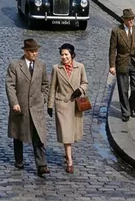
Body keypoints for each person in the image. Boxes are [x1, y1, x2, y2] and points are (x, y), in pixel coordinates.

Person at [5, 38, 50, 177]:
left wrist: (43, 98)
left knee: (38, 136)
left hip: (36, 107)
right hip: (21, 106)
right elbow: (10, 86)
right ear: (25, 52)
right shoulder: (15, 65)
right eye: (32, 51)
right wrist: (14, 103)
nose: (35, 54)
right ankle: (19, 160)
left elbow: (45, 84)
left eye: (36, 51)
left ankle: (41, 165)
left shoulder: (41, 65)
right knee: (18, 134)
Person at [47, 42, 88, 174]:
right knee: (66, 133)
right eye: (62, 55)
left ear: (72, 55)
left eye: (66, 54)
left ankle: (67, 153)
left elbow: (85, 83)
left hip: (75, 104)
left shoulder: (80, 67)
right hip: (62, 104)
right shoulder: (56, 69)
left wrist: (80, 90)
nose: (64, 57)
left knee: (72, 134)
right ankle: (70, 161)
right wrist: (50, 105)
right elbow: (52, 87)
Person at [109, 8, 135, 121]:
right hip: (122, 62)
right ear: (123, 20)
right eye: (129, 19)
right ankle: (125, 112)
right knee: (123, 90)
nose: (131, 21)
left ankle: (132, 106)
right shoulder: (116, 31)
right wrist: (112, 65)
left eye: (132, 19)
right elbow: (112, 49)